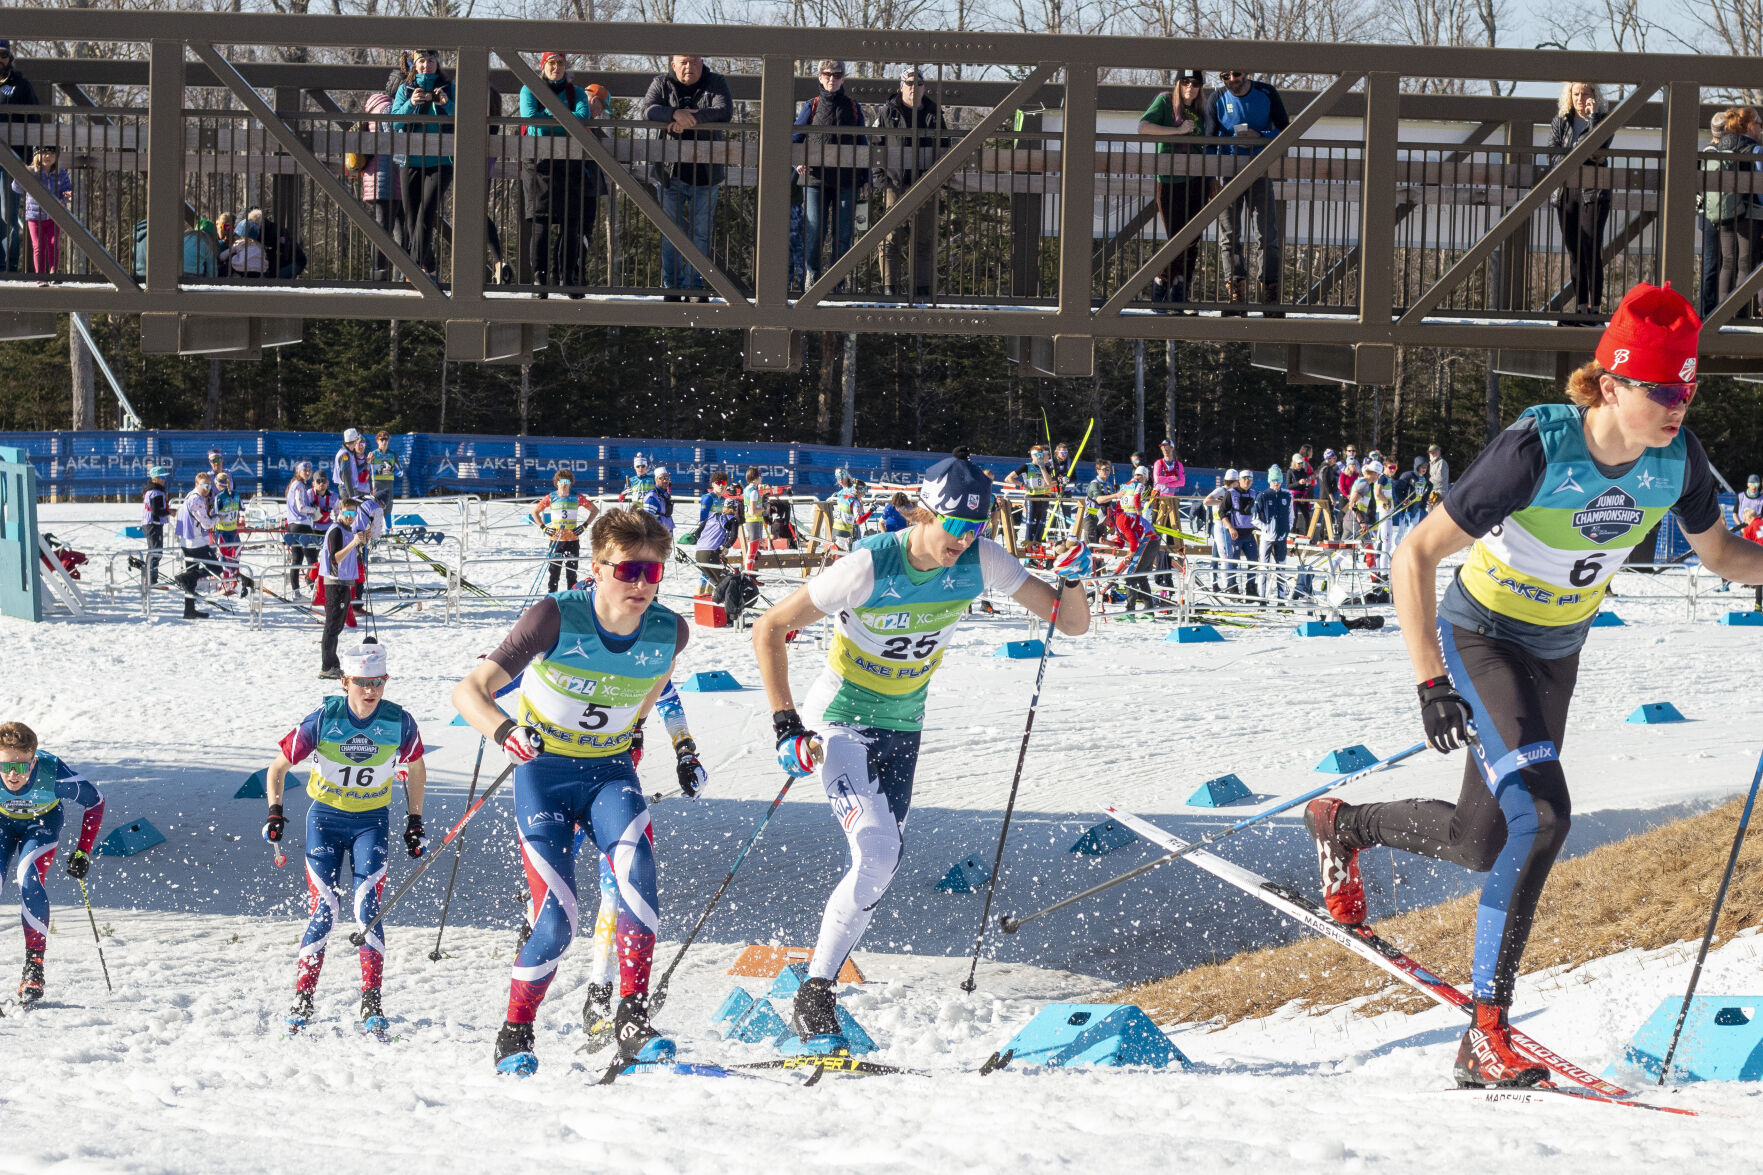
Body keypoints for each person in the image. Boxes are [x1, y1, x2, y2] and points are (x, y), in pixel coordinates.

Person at [1305, 282, 1763, 1089]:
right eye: (1661, 389)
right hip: (1481, 636)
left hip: (1554, 653)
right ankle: (1484, 1034)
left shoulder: (1677, 460)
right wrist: (1429, 680)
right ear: (1611, 382)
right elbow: (1413, 554)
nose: (1677, 405)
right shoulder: (1536, 450)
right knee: (1544, 815)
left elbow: (1723, 557)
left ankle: (1342, 823)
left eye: (1687, 388)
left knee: (1483, 841)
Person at [751, 452, 1091, 1053]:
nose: (963, 541)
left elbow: (1070, 624)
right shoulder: (867, 566)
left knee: (881, 863)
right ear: (923, 513)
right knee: (878, 851)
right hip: (839, 721)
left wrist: (1073, 578)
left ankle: (818, 984)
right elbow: (770, 627)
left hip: (904, 728)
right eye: (953, 527)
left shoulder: (982, 560)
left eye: (974, 529)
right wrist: (785, 725)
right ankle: (814, 993)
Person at [451, 508, 695, 1076]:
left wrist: (676, 745)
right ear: (597, 567)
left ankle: (632, 1016)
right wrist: (507, 731)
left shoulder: (670, 630)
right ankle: (516, 1032)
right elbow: (470, 691)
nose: (641, 585)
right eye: (629, 570)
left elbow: (656, 686)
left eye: (654, 574)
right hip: (545, 777)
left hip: (610, 773)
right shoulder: (554, 618)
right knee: (558, 921)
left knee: (639, 876)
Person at [261, 638, 426, 1034]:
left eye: (379, 682)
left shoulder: (398, 721)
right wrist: (275, 812)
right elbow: (277, 769)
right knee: (327, 910)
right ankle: (302, 1001)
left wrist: (415, 820)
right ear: (345, 682)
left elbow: (416, 769)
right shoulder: (322, 719)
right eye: (362, 683)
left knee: (368, 910)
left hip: (371, 821)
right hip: (325, 821)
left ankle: (371, 1004)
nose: (371, 691)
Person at [0, 721, 104, 1006]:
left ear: (33, 762)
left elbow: (96, 801)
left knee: (29, 878)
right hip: (1, 824)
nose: (12, 774)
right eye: (6, 766)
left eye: (21, 767)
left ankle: (34, 967)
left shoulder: (53, 774)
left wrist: (83, 851)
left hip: (41, 824)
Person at [643, 54, 732, 300]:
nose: (689, 66)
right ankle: (671, 287)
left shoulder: (715, 81)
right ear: (674, 65)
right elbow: (648, 109)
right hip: (670, 174)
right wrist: (673, 114)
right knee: (671, 233)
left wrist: (688, 119)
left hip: (706, 174)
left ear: (702, 63)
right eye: (683, 62)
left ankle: (694, 287)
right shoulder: (662, 83)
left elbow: (725, 111)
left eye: (694, 61)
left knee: (701, 234)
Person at [1208, 69, 1289, 313]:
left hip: (1260, 170)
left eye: (1237, 73)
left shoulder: (1267, 92)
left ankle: (1270, 297)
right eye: (1225, 76)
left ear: (1247, 73)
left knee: (1267, 235)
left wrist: (1259, 136)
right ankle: (1236, 296)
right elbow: (1209, 140)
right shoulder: (1216, 98)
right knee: (1228, 237)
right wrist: (1212, 175)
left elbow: (1286, 130)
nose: (1232, 79)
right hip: (1227, 172)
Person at [520, 52, 600, 297]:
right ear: (543, 66)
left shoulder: (575, 92)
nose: (556, 68)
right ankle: (540, 280)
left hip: (570, 162)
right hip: (539, 164)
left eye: (560, 63)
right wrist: (563, 120)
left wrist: (549, 119)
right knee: (541, 225)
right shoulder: (529, 89)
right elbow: (530, 118)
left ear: (566, 66)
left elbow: (582, 117)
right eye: (551, 63)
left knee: (572, 225)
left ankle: (569, 278)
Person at [869, 65, 948, 299]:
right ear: (901, 86)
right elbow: (875, 145)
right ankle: (889, 288)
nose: (915, 87)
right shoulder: (886, 112)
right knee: (891, 237)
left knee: (924, 238)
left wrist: (937, 178)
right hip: (895, 182)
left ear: (925, 88)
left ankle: (922, 290)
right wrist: (880, 178)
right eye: (910, 83)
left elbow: (945, 146)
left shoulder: (935, 112)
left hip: (925, 183)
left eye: (919, 83)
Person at [1137, 70, 1213, 308]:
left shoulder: (1203, 111)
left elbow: (1208, 148)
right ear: (1179, 83)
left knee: (1192, 240)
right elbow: (1144, 127)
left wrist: (1211, 180)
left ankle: (1180, 295)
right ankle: (1162, 282)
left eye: (1196, 83)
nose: (1190, 87)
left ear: (1201, 87)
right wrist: (1178, 131)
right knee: (1177, 239)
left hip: (1197, 181)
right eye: (1186, 82)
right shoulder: (1165, 101)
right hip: (1170, 180)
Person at [793, 60, 868, 291]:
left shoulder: (854, 107)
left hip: (847, 180)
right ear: (820, 77)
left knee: (843, 233)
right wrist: (798, 161)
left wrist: (865, 178)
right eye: (827, 74)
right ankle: (812, 278)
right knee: (815, 229)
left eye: (837, 75)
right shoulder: (811, 106)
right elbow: (795, 138)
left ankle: (837, 281)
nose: (832, 79)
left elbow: (862, 145)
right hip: (815, 179)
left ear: (844, 78)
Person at [1548, 82, 1613, 317]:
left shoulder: (1604, 119)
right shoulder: (1560, 121)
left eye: (1585, 93)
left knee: (1591, 250)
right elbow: (1553, 154)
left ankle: (1594, 310)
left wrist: (1594, 118)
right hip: (1565, 192)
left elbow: (1599, 149)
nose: (1580, 98)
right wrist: (1580, 156)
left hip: (1593, 192)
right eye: (1575, 93)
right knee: (1574, 251)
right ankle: (1579, 308)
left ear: (1594, 95)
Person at [392, 50, 455, 279]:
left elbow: (465, 117)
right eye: (421, 61)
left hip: (441, 161)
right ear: (414, 65)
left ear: (437, 63)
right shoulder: (405, 89)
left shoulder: (449, 88)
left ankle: (415, 270)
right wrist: (411, 103)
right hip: (410, 160)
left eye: (430, 60)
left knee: (426, 213)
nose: (426, 65)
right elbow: (395, 122)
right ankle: (430, 268)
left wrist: (445, 104)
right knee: (411, 219)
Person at [1704, 107, 1763, 319]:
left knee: (1728, 261)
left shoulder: (1722, 146)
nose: (1760, 129)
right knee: (1745, 262)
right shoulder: (1755, 149)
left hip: (1726, 211)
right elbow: (1760, 185)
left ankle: (1721, 314)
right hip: (1750, 213)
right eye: (1759, 124)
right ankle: (1740, 314)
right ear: (1749, 125)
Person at [0, 40, 40, 275]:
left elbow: (34, 120)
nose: (0, 59)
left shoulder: (20, 85)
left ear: (10, 57)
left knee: (8, 214)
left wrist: (31, 158)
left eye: (3, 55)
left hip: (11, 160)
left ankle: (7, 267)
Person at [318, 498, 370, 679]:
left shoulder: (347, 530)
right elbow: (335, 558)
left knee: (337, 626)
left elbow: (349, 555)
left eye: (353, 514)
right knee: (332, 626)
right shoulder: (336, 530)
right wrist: (354, 543)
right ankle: (327, 666)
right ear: (339, 511)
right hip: (335, 583)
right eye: (347, 513)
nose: (350, 517)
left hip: (345, 582)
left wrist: (360, 543)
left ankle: (332, 664)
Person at [358, 91, 404, 281]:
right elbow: (393, 132)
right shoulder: (387, 107)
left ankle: (384, 275)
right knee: (387, 229)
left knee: (390, 228)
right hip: (386, 176)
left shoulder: (375, 106)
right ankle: (383, 276)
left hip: (380, 176)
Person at [530, 469, 598, 593]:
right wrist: (543, 527)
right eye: (561, 481)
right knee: (554, 574)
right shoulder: (551, 497)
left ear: (570, 483)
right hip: (556, 542)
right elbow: (534, 512)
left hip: (572, 541)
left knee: (571, 575)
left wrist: (584, 526)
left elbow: (595, 510)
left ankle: (571, 600)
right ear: (557, 483)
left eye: (567, 481)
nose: (564, 484)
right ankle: (552, 600)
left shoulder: (577, 497)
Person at [11, 146, 70, 283]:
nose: (48, 156)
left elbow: (68, 192)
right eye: (44, 153)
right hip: (34, 217)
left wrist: (65, 199)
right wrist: (20, 175)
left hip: (54, 217)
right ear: (37, 155)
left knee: (54, 244)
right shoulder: (31, 171)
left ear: (56, 156)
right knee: (38, 246)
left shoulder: (61, 173)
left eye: (51, 153)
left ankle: (53, 272)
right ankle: (41, 277)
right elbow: (16, 188)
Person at [173, 472, 224, 620]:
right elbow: (207, 524)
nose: (207, 488)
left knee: (192, 580)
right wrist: (219, 518)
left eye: (209, 485)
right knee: (216, 568)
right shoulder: (197, 500)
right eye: (204, 485)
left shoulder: (192, 496)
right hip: (195, 543)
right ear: (197, 485)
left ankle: (189, 610)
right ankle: (184, 577)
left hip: (187, 541)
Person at [1003, 443, 1059, 546]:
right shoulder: (1026, 466)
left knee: (1041, 523)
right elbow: (1008, 478)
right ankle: (1028, 548)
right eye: (1037, 455)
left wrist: (1042, 467)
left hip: (1043, 498)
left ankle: (1037, 546)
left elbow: (1049, 483)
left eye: (1041, 455)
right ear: (1032, 456)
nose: (1040, 457)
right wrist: (1021, 484)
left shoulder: (1045, 467)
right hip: (1031, 498)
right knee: (1031, 522)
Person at [1253, 464, 1295, 600]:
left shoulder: (1287, 495)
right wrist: (1265, 528)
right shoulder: (1263, 495)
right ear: (1269, 481)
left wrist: (1287, 527)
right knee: (1264, 568)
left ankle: (1281, 599)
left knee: (1281, 568)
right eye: (1274, 480)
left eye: (1278, 480)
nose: (1276, 483)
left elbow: (1291, 514)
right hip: (1267, 538)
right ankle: (1262, 599)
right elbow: (1254, 518)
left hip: (1281, 538)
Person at [285, 461, 319, 597]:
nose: (308, 472)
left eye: (310, 470)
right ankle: (313, 589)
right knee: (312, 558)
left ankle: (296, 592)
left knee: (297, 559)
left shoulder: (295, 485)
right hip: (302, 526)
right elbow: (301, 507)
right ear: (298, 472)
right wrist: (314, 510)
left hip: (293, 525)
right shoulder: (299, 485)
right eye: (305, 470)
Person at [212, 471, 243, 595]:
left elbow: (214, 512)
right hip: (233, 530)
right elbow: (242, 508)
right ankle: (234, 582)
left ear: (218, 485)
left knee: (224, 556)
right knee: (234, 556)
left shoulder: (219, 497)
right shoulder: (236, 494)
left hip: (223, 531)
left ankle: (225, 583)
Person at [141, 464, 171, 586]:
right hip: (153, 524)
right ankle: (151, 580)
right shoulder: (156, 492)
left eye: (164, 477)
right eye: (162, 477)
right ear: (155, 479)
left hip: (150, 524)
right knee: (156, 552)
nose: (164, 480)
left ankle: (150, 577)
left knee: (153, 551)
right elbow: (156, 511)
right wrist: (170, 512)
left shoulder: (152, 490)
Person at [1083, 457, 1120, 543]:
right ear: (1098, 470)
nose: (1107, 472)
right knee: (1091, 546)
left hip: (1103, 518)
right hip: (1091, 517)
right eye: (1104, 469)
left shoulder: (1109, 485)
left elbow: (1109, 505)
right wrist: (1115, 495)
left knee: (1101, 545)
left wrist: (1112, 523)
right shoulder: (1094, 484)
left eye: (1108, 469)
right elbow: (1099, 500)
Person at [1151, 440, 1186, 531]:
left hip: (1171, 499)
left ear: (1172, 448)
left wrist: (1165, 481)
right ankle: (1153, 544)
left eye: (1166, 447)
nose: (1164, 450)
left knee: (1171, 525)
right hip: (1158, 498)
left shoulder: (1179, 465)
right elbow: (1157, 479)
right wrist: (1173, 478)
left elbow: (1182, 482)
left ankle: (1172, 544)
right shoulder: (1158, 463)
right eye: (1163, 448)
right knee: (1156, 523)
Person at [333, 428, 373, 501]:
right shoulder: (345, 454)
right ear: (355, 441)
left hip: (349, 489)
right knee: (349, 512)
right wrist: (351, 495)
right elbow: (346, 476)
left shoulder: (349, 453)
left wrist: (366, 462)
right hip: (346, 490)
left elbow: (354, 471)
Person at [368, 430, 401, 514]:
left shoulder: (393, 454)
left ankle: (389, 527)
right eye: (381, 439)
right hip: (377, 483)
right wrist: (383, 470)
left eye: (386, 439)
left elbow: (401, 473)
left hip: (388, 483)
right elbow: (368, 472)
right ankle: (375, 526)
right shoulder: (373, 454)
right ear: (377, 441)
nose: (384, 442)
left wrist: (391, 470)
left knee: (388, 507)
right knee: (375, 506)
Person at [741, 466, 767, 569]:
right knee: (752, 551)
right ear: (754, 478)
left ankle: (748, 573)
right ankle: (748, 574)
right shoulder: (754, 492)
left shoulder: (747, 489)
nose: (761, 478)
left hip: (750, 521)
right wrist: (764, 508)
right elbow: (753, 510)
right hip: (754, 521)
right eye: (760, 476)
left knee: (751, 550)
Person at [643, 467, 676, 535]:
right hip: (658, 534)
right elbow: (647, 520)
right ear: (655, 479)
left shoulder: (665, 494)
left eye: (666, 478)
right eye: (661, 478)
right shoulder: (652, 496)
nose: (665, 481)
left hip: (667, 531)